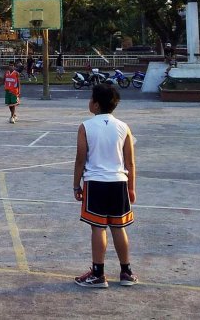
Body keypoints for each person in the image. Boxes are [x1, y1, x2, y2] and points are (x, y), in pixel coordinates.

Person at [72, 84, 137, 288]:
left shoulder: (86, 126)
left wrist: (76, 185)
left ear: (96, 104)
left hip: (96, 183)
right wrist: (131, 188)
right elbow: (130, 162)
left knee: (98, 228)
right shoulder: (124, 126)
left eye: (91, 98)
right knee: (119, 228)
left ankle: (98, 273)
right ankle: (126, 271)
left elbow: (80, 160)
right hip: (119, 183)